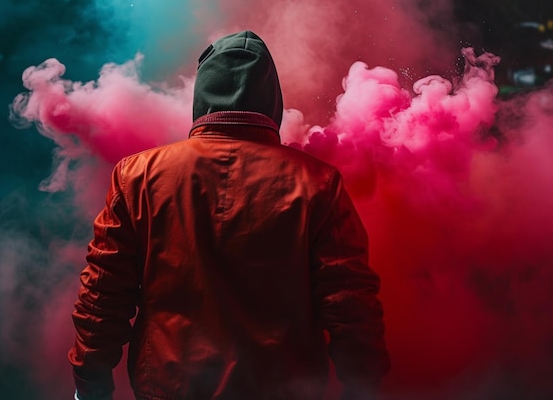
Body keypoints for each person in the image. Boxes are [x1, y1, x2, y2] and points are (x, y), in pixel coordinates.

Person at [68, 30, 389, 400]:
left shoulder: (137, 176)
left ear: (202, 95)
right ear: (272, 101)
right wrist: (362, 387)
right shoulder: (318, 184)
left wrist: (90, 387)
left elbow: (103, 296)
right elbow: (350, 305)